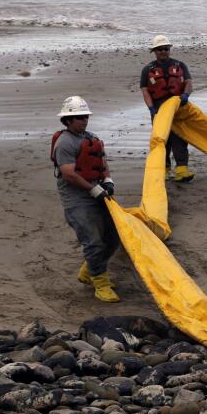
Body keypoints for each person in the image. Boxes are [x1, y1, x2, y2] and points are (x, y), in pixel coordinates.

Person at [52, 95, 121, 303]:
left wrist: (108, 181)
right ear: (68, 120)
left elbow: (101, 162)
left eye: (85, 116)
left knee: (113, 237)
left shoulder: (91, 137)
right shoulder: (64, 143)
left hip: (97, 192)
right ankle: (100, 283)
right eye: (79, 117)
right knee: (93, 242)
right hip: (77, 199)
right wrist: (93, 190)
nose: (84, 120)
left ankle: (89, 270)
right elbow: (69, 174)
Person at [139, 34, 195, 182]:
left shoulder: (180, 65)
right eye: (159, 49)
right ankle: (164, 169)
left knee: (180, 138)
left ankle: (182, 169)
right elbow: (145, 90)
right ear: (154, 52)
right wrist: (151, 108)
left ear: (169, 49)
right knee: (162, 139)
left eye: (165, 48)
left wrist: (185, 95)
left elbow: (189, 83)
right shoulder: (147, 70)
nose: (163, 51)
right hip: (158, 109)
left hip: (178, 108)